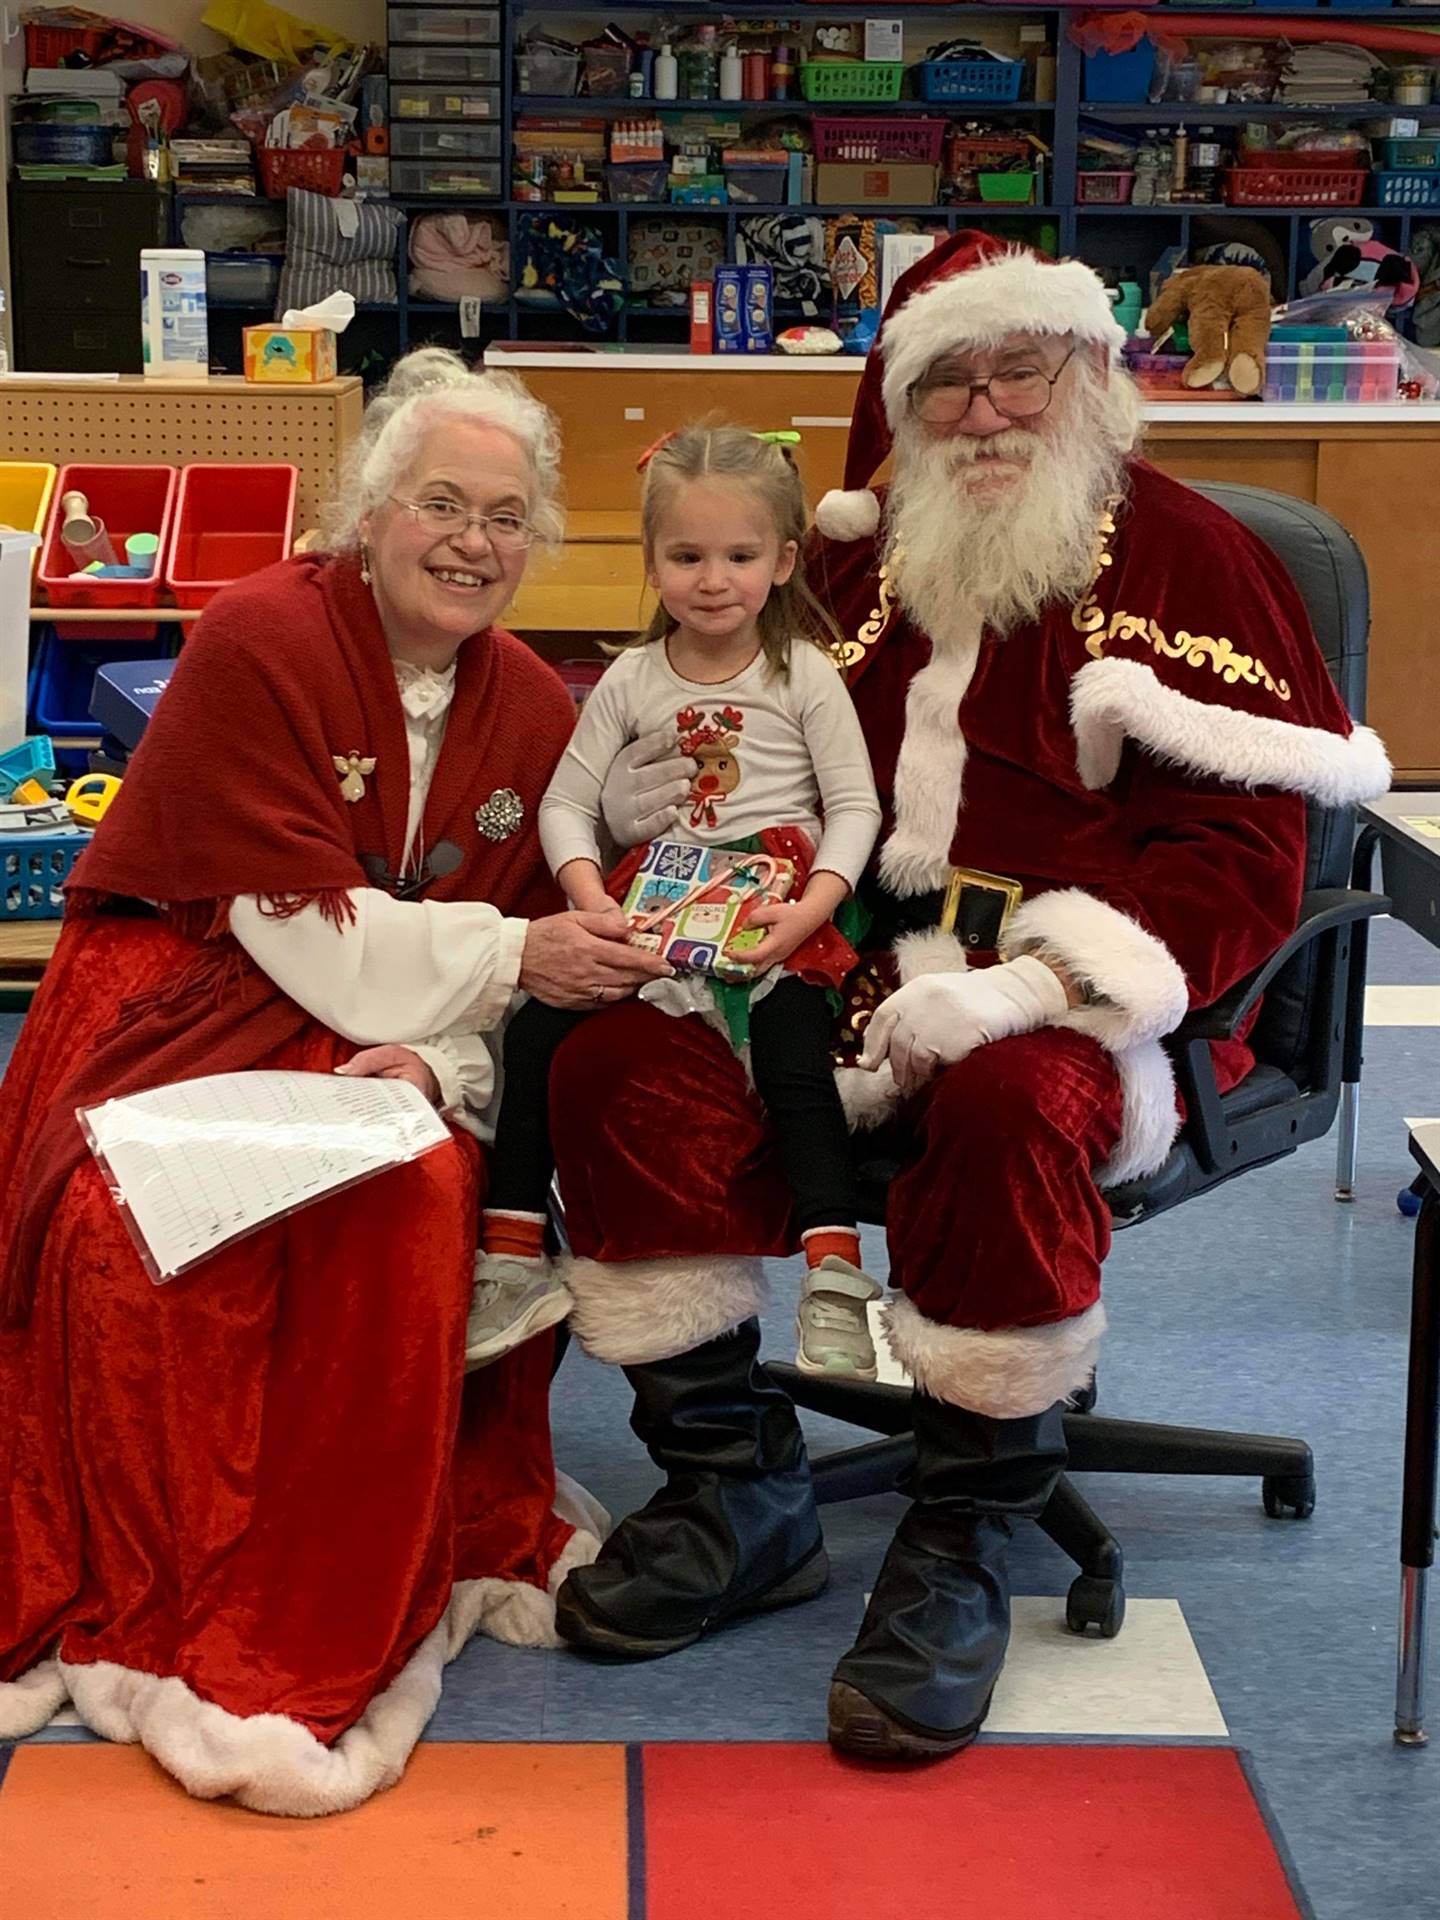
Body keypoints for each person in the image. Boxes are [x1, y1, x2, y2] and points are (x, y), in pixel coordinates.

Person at [544, 234, 1392, 1753]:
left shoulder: (1199, 561)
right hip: (833, 955)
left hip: (1100, 992)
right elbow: (748, 761)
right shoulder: (858, 571)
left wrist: (1033, 988)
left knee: (1004, 1106)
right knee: (618, 1066)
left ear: (1089, 374)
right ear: (900, 405)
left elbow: (1240, 855)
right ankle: (739, 1495)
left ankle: (963, 1538)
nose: (989, 409)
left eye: (1023, 367)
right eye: (949, 380)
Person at [0, 347, 668, 1816]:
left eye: (505, 518)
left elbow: (530, 967)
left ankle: (324, 1589)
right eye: (440, 502)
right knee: (129, 1238)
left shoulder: (534, 711)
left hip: (380, 1022)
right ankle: (171, 1580)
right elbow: (309, 931)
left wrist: (439, 1052)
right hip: (188, 996)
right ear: (367, 512)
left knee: (413, 1194)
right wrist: (501, 965)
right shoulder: (259, 635)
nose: (472, 543)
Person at [468, 426, 883, 1384]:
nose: (712, 580)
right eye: (686, 556)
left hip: (777, 906)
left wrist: (814, 909)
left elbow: (856, 806)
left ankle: (836, 1275)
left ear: (783, 561)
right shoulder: (631, 678)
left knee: (790, 1055)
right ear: (652, 563)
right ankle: (513, 1253)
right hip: (651, 904)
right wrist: (586, 898)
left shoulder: (803, 676)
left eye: (739, 556)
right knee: (535, 1034)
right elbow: (567, 803)